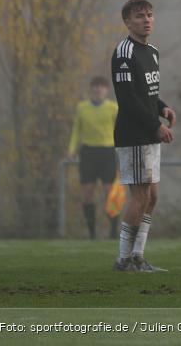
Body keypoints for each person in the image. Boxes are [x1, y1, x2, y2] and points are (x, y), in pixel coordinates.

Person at [111, 0, 176, 272]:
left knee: (153, 196)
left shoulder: (151, 51)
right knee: (139, 196)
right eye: (139, 16)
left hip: (148, 133)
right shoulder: (124, 53)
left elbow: (147, 93)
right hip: (134, 135)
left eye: (150, 15)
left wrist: (162, 107)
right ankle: (124, 259)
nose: (146, 20)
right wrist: (155, 125)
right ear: (127, 22)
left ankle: (138, 256)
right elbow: (128, 98)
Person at [66, 76, 119, 239]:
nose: (98, 90)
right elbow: (76, 130)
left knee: (109, 193)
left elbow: (120, 131)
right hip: (88, 153)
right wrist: (71, 149)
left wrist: (123, 150)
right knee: (87, 193)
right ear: (91, 89)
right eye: (95, 86)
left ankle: (113, 232)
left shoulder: (113, 108)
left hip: (107, 152)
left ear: (106, 90)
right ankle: (92, 234)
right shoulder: (82, 108)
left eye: (101, 87)